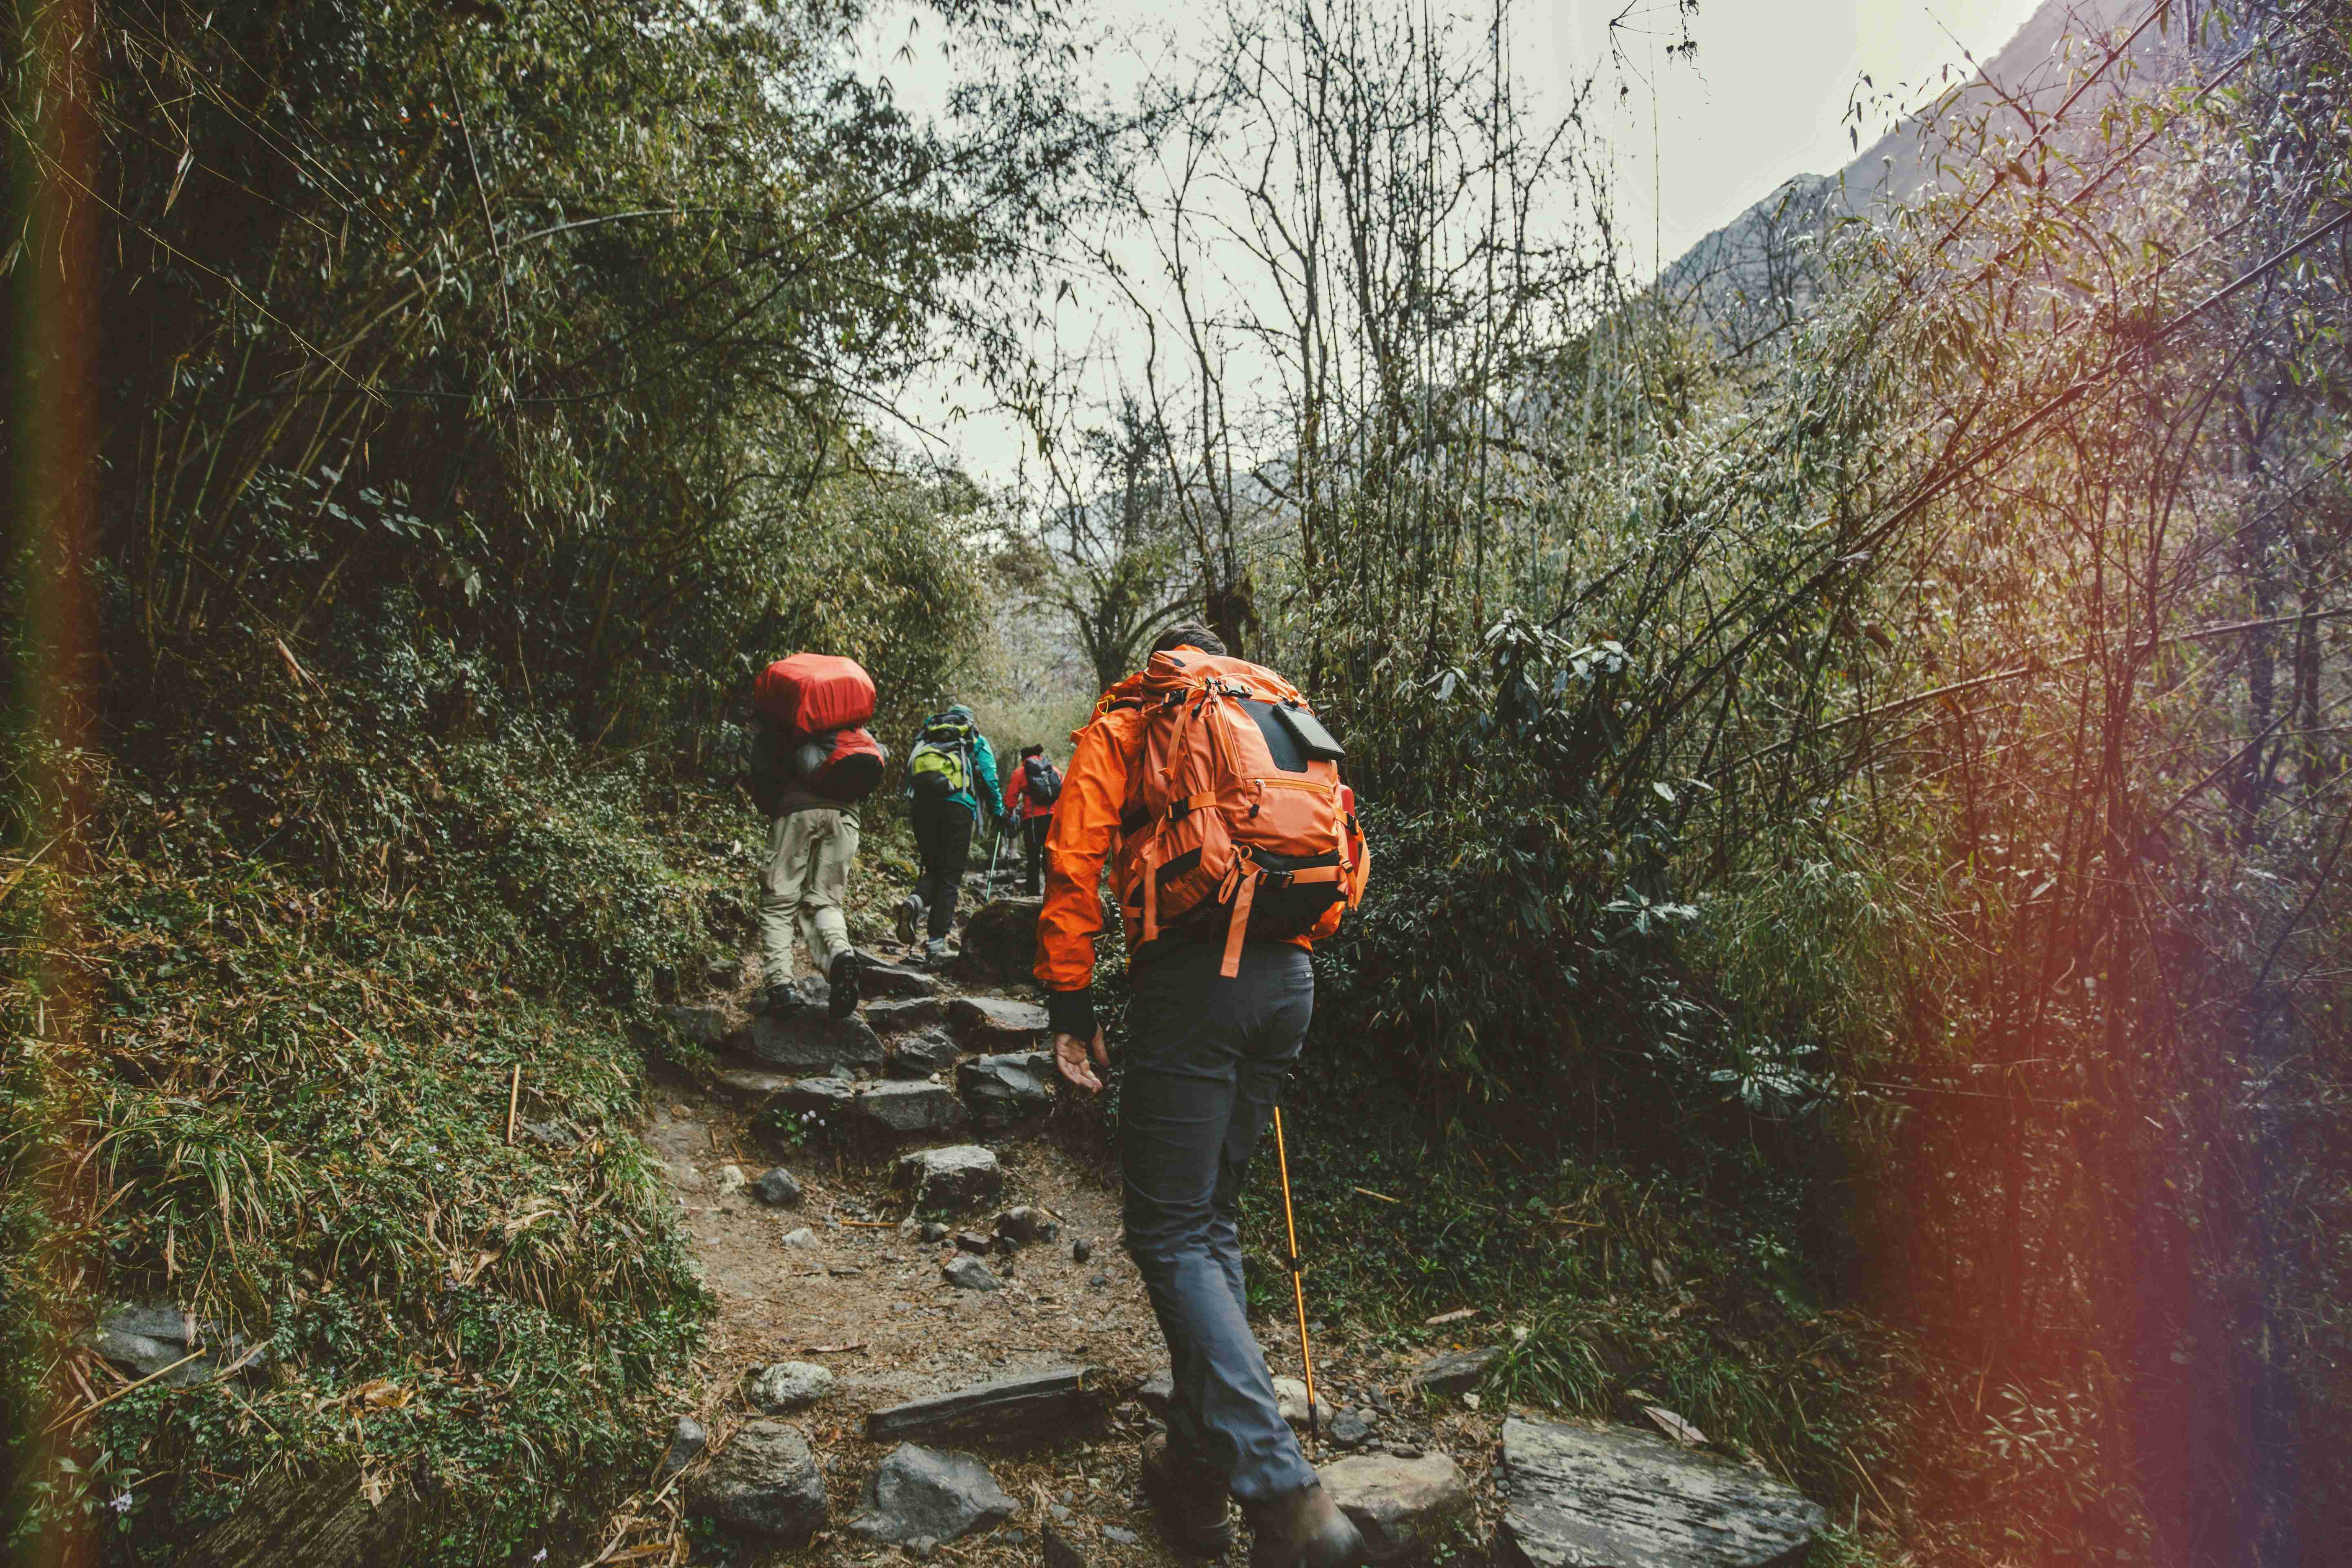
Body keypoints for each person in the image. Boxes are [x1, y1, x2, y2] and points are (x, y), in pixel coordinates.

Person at [1036, 625, 1370, 1568]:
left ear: (1161, 658)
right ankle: (1192, 1471)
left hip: (1196, 980)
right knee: (1209, 1227)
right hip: (1289, 980)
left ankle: (1288, 1496)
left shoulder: (1139, 706)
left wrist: (1069, 995)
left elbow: (1076, 847)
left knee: (1169, 1233)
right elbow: (1347, 842)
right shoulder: (1277, 703)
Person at [747, 669, 881, 1021]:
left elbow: (762, 775)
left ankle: (781, 986)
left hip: (796, 812)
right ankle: (840, 957)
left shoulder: (781, 727)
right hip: (846, 817)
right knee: (825, 900)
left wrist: (774, 808)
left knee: (779, 901)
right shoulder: (855, 729)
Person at [893, 702, 1004, 964]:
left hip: (922, 807)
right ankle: (935, 945)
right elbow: (989, 778)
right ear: (969, 720)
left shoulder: (927, 736)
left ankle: (915, 901)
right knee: (950, 876)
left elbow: (908, 775)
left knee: (934, 869)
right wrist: (999, 812)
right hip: (958, 807)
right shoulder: (973, 738)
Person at [1009, 743, 1061, 896]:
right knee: (1050, 857)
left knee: (1033, 858)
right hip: (1053, 819)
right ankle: (1052, 893)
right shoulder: (1054, 771)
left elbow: (1011, 797)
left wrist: (1008, 813)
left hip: (1032, 820)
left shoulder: (1021, 772)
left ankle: (1032, 893)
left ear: (1024, 758)